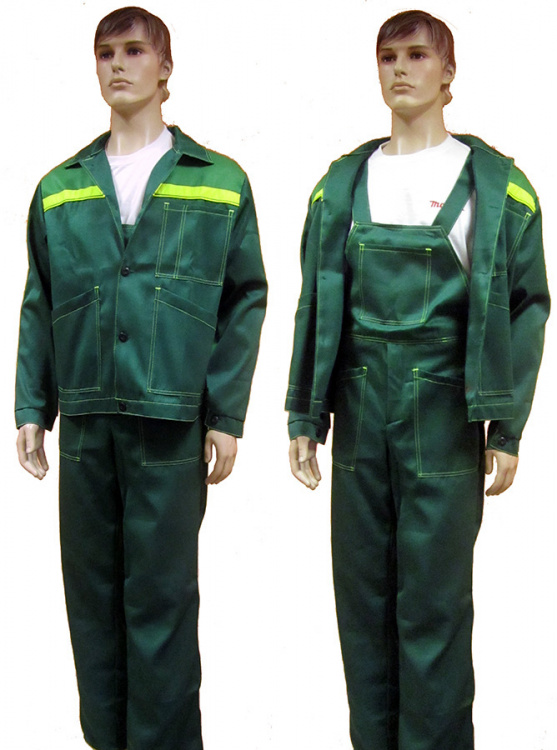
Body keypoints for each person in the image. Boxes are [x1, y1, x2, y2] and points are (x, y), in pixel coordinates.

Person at [286, 10, 549, 750]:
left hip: (444, 414)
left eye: (415, 56)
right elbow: (316, 300)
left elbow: (527, 306)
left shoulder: (498, 187)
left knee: (433, 611)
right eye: (386, 57)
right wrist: (305, 413)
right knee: (362, 609)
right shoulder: (339, 185)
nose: (399, 69)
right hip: (358, 413)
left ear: (448, 72)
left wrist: (507, 426)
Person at [15, 7, 267, 750]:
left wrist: (224, 413)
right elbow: (40, 299)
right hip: (86, 424)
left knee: (159, 603)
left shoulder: (219, 181)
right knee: (91, 604)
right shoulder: (59, 187)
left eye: (133, 50)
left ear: (166, 68)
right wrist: (32, 405)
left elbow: (244, 297)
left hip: (169, 424)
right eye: (105, 53)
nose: (117, 64)